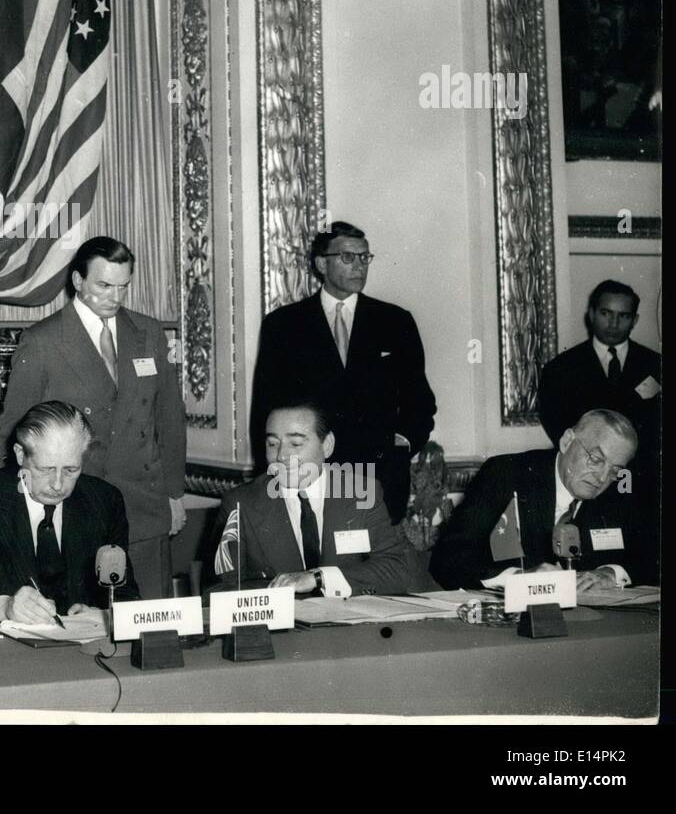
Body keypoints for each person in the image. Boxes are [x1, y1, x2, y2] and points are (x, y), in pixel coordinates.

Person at [0, 237, 185, 597]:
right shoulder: (42, 341)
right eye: (104, 285)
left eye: (123, 286)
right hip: (72, 504)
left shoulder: (148, 333)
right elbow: (14, 431)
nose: (115, 296)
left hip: (144, 506)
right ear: (78, 281)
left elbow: (170, 420)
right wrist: (14, 507)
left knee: (150, 621)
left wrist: (174, 495)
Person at [249, 221, 436, 523]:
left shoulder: (395, 321)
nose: (359, 266)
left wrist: (400, 445)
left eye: (365, 258)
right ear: (322, 264)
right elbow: (266, 407)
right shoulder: (284, 325)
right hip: (310, 476)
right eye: (348, 258)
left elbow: (421, 402)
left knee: (374, 567)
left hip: (379, 478)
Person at [0, 401, 139, 625]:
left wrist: (105, 615)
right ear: (19, 454)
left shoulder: (104, 500)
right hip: (3, 655)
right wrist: (3, 607)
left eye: (71, 470)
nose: (58, 484)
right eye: (45, 469)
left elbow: (124, 592)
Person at [430, 409, 653, 590]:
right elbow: (448, 559)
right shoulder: (506, 474)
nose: (603, 477)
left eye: (615, 470)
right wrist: (519, 580)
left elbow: (652, 558)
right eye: (595, 459)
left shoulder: (621, 491)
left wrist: (612, 573)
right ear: (567, 441)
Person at [208, 401, 412, 597]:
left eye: (295, 444)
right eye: (272, 444)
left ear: (327, 445)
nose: (281, 456)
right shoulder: (241, 503)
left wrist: (319, 578)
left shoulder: (360, 492)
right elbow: (218, 590)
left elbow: (396, 570)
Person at [538, 280, 661, 462]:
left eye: (623, 316)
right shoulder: (561, 368)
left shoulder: (656, 364)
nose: (613, 324)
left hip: (645, 473)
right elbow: (556, 423)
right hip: (586, 470)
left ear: (634, 320)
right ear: (591, 314)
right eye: (606, 313)